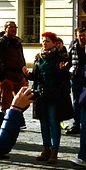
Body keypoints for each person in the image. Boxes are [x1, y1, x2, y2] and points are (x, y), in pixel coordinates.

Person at [30, 33, 72, 163]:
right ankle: (46, 149)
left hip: (55, 95)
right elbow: (36, 77)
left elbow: (66, 77)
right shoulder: (39, 57)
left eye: (47, 41)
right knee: (43, 123)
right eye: (43, 41)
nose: (44, 43)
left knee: (54, 123)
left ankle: (54, 151)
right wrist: (27, 75)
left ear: (54, 43)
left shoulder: (61, 57)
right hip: (41, 95)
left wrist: (63, 70)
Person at [0, 21, 27, 109]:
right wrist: (2, 78)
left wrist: (24, 75)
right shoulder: (1, 43)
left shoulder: (17, 42)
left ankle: (15, 116)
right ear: (5, 29)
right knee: (6, 103)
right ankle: (6, 120)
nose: (13, 29)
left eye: (15, 27)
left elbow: (21, 58)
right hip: (8, 77)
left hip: (19, 76)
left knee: (24, 102)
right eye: (10, 27)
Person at [66, 28, 86, 135]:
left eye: (83, 35)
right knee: (76, 102)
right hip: (75, 77)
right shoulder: (73, 47)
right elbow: (69, 60)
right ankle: (76, 125)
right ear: (76, 35)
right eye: (80, 35)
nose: (82, 37)